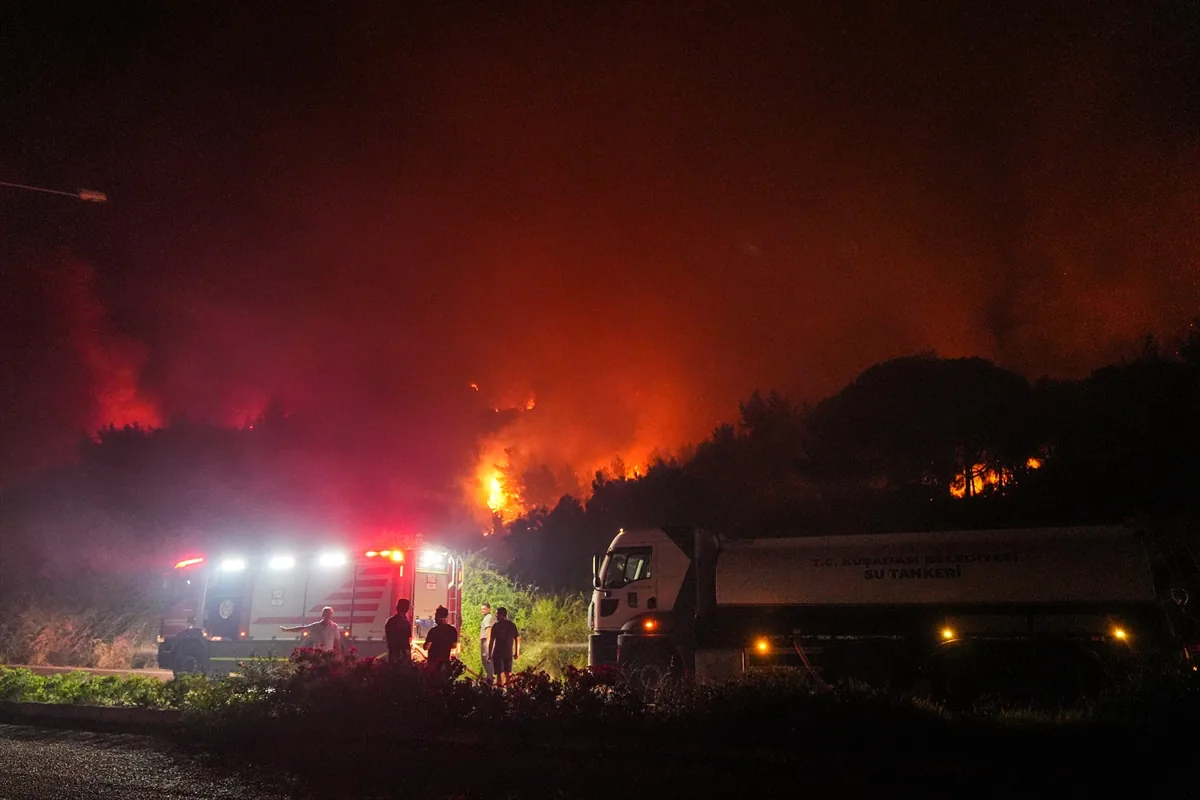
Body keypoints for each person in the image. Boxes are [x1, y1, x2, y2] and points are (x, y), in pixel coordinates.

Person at [487, 607, 520, 687]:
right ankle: (508, 692)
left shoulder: (496, 626)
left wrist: (489, 655)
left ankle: (500, 693)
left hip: (498, 653)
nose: (496, 616)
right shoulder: (512, 625)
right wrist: (517, 652)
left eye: (497, 614)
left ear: (502, 615)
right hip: (508, 653)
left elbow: (491, 641)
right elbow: (517, 639)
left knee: (499, 675)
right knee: (508, 674)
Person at [422, 605, 458, 670]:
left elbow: (426, 647)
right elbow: (454, 646)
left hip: (433, 663)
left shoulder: (433, 631)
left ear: (438, 617)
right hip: (446, 662)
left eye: (436, 615)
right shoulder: (453, 630)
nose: (435, 618)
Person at [385, 598, 412, 663]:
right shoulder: (406, 623)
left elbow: (389, 638)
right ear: (407, 609)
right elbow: (407, 639)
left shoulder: (390, 621)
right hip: (403, 653)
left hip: (393, 653)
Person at [479, 602, 495, 683]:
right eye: (481, 609)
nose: (482, 610)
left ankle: (490, 678)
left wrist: (488, 645)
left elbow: (489, 631)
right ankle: (490, 677)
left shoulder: (488, 617)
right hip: (484, 641)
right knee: (485, 659)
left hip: (486, 641)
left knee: (487, 659)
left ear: (489, 609)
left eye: (484, 609)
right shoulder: (486, 617)